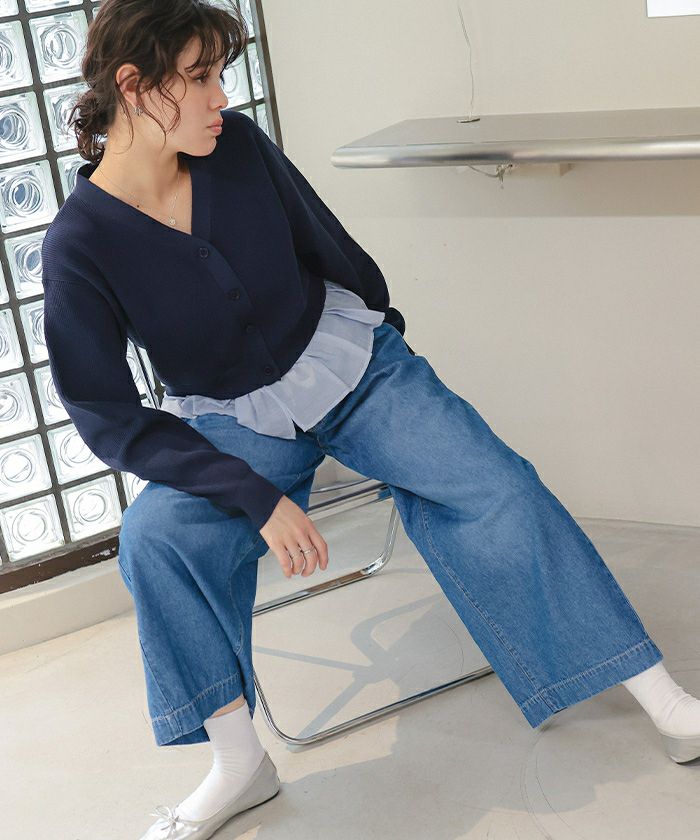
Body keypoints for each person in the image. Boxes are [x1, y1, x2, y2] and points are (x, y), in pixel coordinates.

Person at [40, 1, 700, 838]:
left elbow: (327, 244)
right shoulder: (81, 244)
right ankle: (239, 765)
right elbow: (105, 413)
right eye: (200, 77)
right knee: (155, 540)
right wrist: (255, 497)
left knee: (494, 483)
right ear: (134, 86)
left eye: (220, 74)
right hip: (232, 422)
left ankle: (665, 701)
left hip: (350, 366)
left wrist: (388, 348)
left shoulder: (237, 146)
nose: (220, 97)